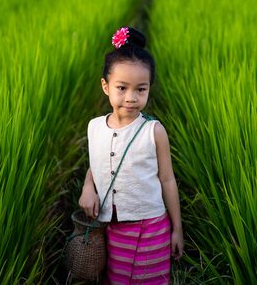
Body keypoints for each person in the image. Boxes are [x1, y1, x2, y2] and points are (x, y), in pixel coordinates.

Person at [78, 26, 183, 284]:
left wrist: (177, 229)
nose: (131, 97)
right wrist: (87, 188)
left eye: (141, 89)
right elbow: (98, 163)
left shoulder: (153, 131)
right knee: (117, 279)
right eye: (122, 87)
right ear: (105, 86)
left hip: (152, 227)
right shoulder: (95, 127)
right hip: (113, 229)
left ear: (149, 89)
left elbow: (167, 180)